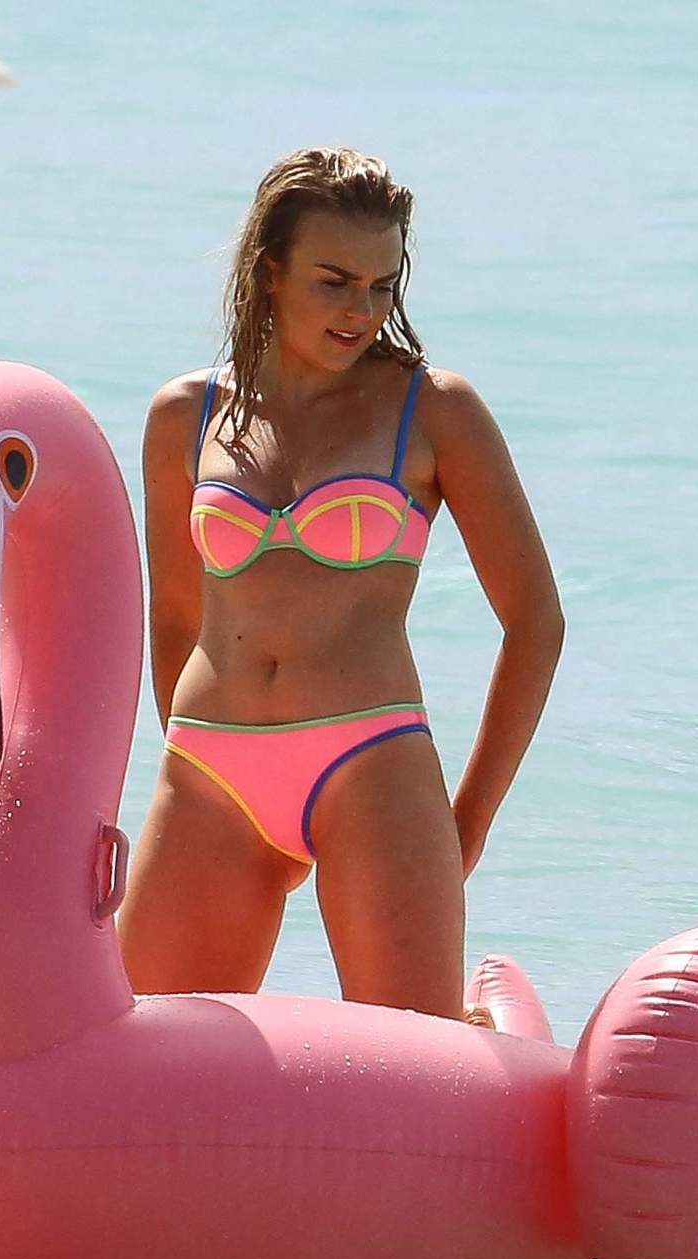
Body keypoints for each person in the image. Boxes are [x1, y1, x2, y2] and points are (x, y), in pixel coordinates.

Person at [120, 147, 564, 1020]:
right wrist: (199, 759)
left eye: (382, 285)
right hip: (211, 770)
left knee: (410, 1064)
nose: (361, 310)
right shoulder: (185, 415)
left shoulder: (433, 410)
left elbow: (534, 621)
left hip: (372, 766)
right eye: (334, 282)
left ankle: (489, 1033)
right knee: (136, 1062)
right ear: (270, 270)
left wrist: (467, 821)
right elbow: (172, 613)